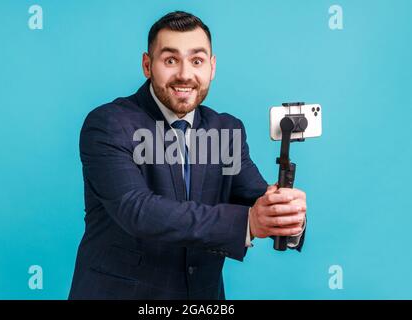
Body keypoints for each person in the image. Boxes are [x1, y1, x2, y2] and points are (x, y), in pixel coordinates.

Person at [68, 11, 307, 300]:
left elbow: (257, 199)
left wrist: (284, 212)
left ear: (212, 67)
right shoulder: (108, 124)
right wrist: (248, 223)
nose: (184, 74)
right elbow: (137, 211)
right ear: (147, 65)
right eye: (170, 60)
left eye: (197, 61)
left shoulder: (227, 129)